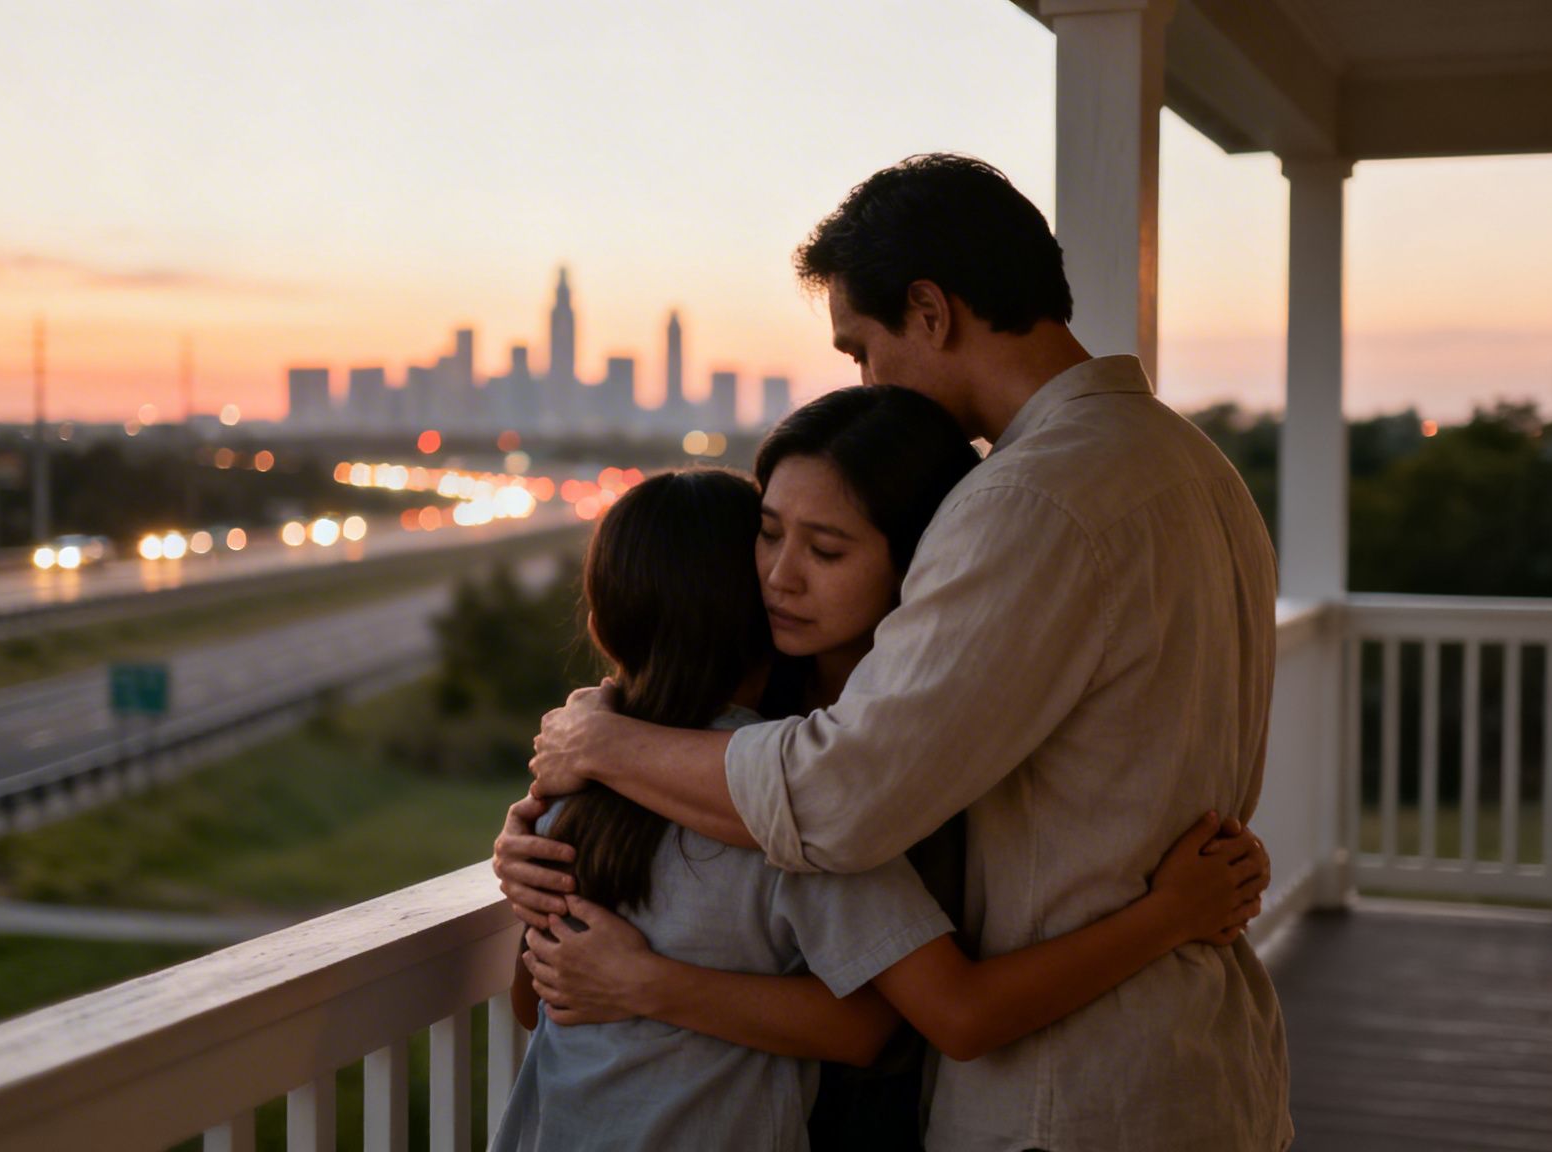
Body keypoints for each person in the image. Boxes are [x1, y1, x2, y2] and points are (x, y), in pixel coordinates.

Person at [504, 154, 1291, 1150]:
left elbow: (838, 801)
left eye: (861, 348)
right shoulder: (1190, 466)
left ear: (930, 309)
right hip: (1197, 1059)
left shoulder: (1029, 500)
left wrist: (599, 745)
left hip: (1069, 1089)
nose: (867, 382)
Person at [492, 462, 1265, 1152]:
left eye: (825, 549)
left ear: (600, 625)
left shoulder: (576, 788)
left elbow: (539, 999)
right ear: (761, 614)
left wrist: (635, 975)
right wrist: (1169, 915)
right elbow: (878, 1025)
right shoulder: (787, 806)